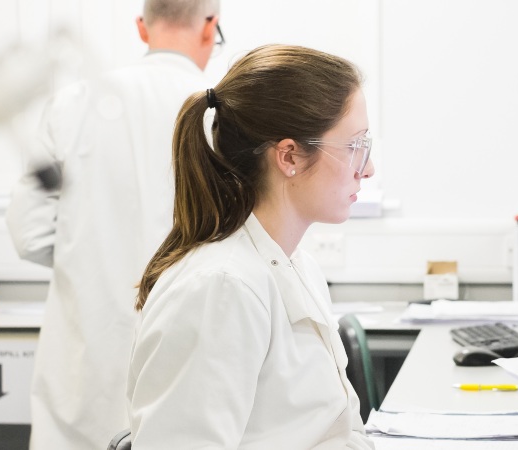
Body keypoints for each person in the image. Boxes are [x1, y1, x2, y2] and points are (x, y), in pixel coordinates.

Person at [127, 44, 376, 448]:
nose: (367, 169)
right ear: (290, 156)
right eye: (354, 147)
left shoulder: (295, 265)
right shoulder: (222, 287)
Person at [4, 1, 220, 448]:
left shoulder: (73, 102)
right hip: (188, 362)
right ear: (210, 27)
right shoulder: (223, 113)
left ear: (142, 28)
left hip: (84, 373)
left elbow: (28, 233)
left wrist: (85, 258)